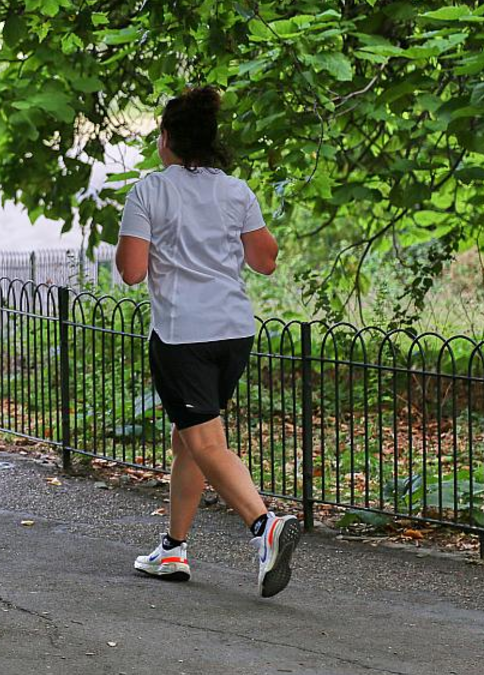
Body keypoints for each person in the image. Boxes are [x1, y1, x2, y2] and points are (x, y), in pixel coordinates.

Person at [114, 86, 301, 598]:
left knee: (205, 443)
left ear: (167, 138)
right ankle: (173, 548)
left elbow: (130, 272)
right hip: (233, 332)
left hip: (182, 334)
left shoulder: (149, 191)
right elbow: (265, 259)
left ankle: (265, 527)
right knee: (188, 441)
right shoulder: (235, 190)